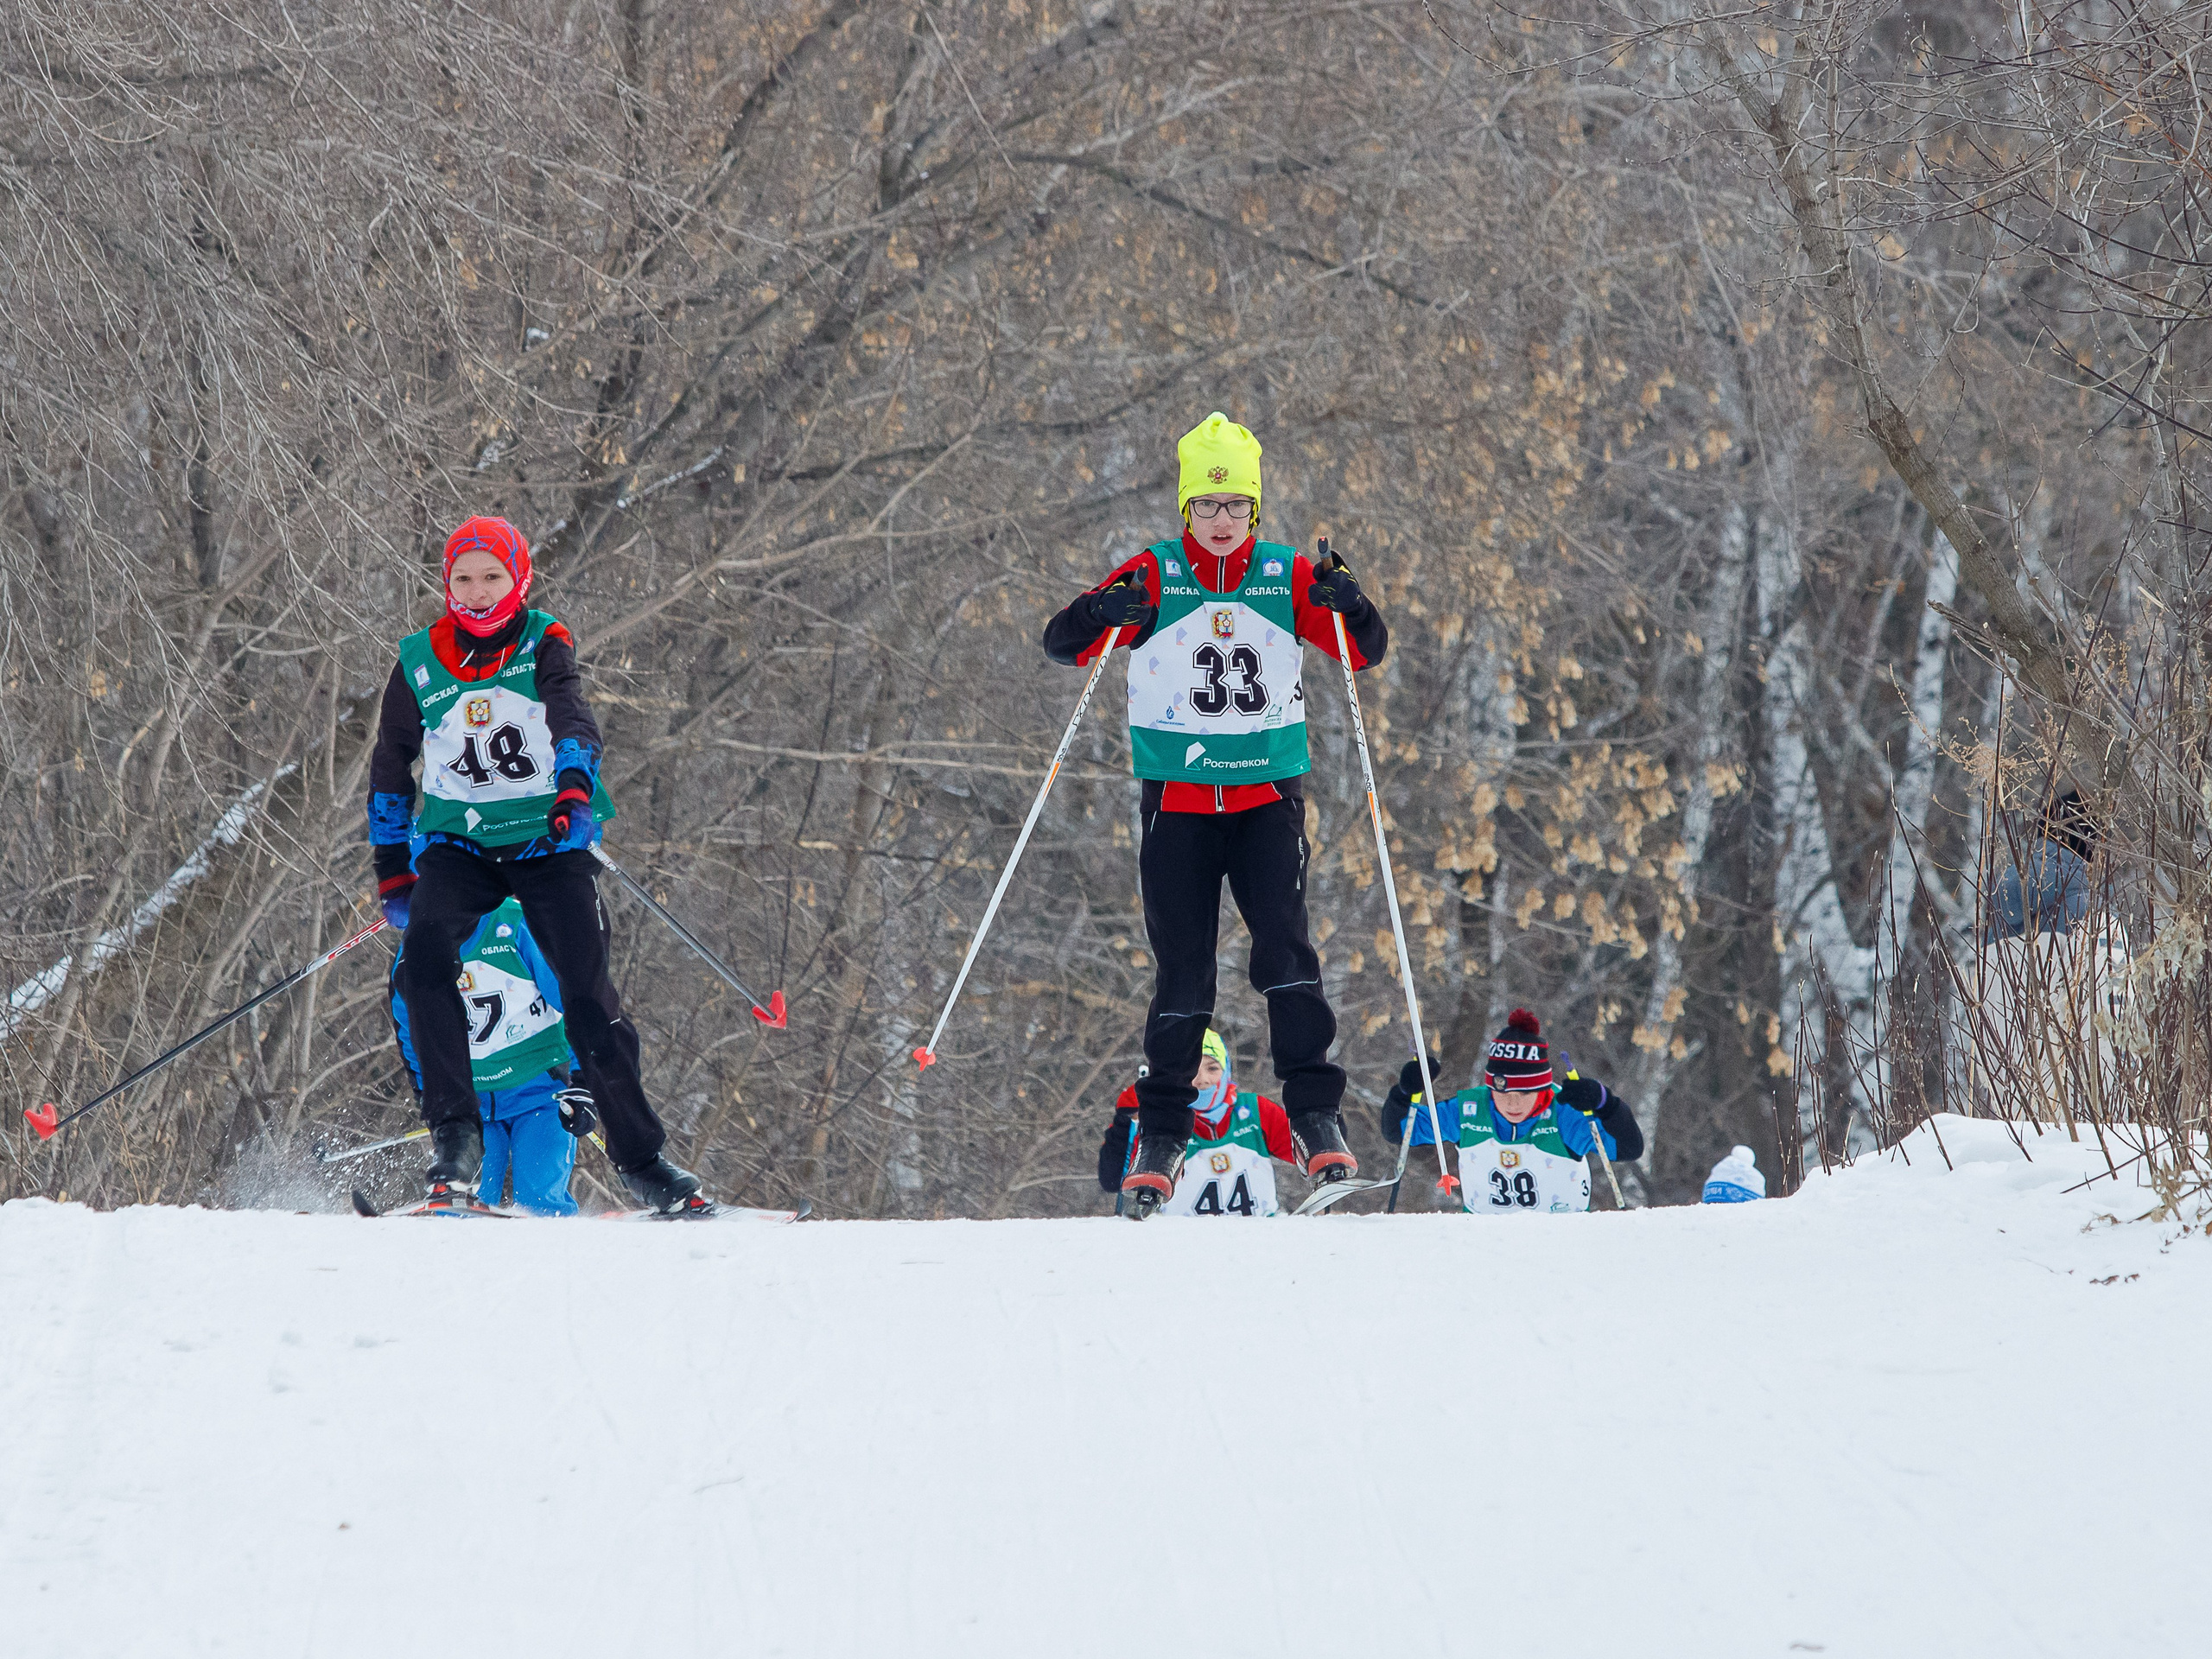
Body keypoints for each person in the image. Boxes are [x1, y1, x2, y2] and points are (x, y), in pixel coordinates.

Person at [1044, 411, 1389, 1208]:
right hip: (1179, 802)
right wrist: (1102, 615)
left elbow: (1362, 651)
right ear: (1187, 508)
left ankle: (1314, 1115)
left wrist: (1354, 602)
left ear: (1255, 509)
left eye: (1236, 505)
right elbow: (1062, 643)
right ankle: (1163, 1131)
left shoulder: (1284, 574)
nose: (1223, 520)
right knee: (1184, 968)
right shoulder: (1156, 572)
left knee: (1286, 953)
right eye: (1207, 505)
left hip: (1267, 798)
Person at [367, 516, 710, 1216]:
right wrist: (393, 866)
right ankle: (456, 1136)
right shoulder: (418, 661)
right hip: (461, 843)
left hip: (543, 840)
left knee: (586, 998)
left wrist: (575, 788)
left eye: (492, 577)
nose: (478, 592)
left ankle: (642, 1161)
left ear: (518, 580)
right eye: (464, 579)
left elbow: (571, 717)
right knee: (424, 958)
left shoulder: (543, 640)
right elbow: (389, 764)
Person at [388, 894, 594, 1215]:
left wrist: (584, 1082)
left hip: (540, 1093)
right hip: (472, 1108)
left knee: (539, 1200)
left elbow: (578, 1002)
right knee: (460, 1201)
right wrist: (431, 1096)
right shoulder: (417, 947)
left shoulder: (516, 924)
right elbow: (410, 1029)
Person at [1381, 1009, 1643, 1215]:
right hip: (1485, 1242)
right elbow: (1399, 1131)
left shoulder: (1564, 1114)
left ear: (1542, 1088)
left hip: (1562, 1240)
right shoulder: (1470, 1111)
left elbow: (1629, 1148)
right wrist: (1404, 1092)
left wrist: (1607, 1104)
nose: (1513, 1104)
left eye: (1525, 1094)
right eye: (1503, 1093)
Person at [1095, 1030, 1300, 1217]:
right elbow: (1113, 1179)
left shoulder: (1255, 1111)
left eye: (1212, 1068)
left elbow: (1303, 1152)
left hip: (1257, 1236)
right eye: (1192, 1070)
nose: (1203, 1079)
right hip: (1187, 1240)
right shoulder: (1162, 1118)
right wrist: (1126, 1123)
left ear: (1226, 1070)